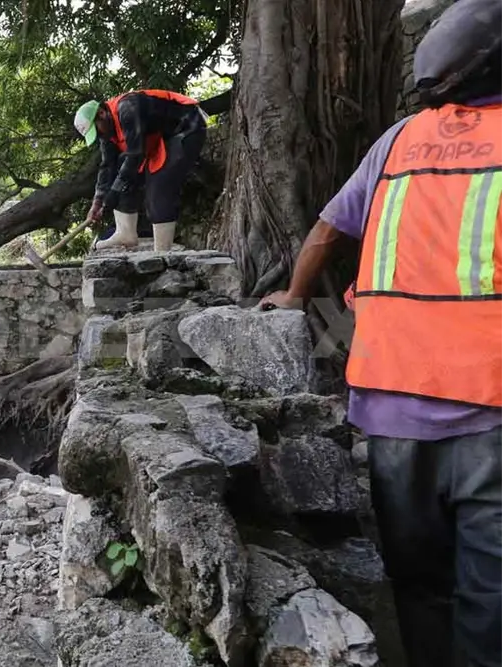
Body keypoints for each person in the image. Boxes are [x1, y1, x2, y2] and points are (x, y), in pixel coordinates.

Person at [259, 1, 502, 664]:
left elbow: (325, 229)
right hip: (487, 404)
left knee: (418, 584)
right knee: (489, 593)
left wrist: (293, 293)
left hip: (389, 402)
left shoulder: (396, 141)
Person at [73, 89, 208, 252]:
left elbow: (136, 155)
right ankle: (125, 233)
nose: (100, 136)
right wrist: (98, 201)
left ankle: (162, 251)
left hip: (187, 126)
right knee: (122, 173)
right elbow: (108, 166)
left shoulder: (127, 109)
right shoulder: (107, 133)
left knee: (159, 183)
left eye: (98, 130)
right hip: (160, 138)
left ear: (102, 113)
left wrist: (114, 194)